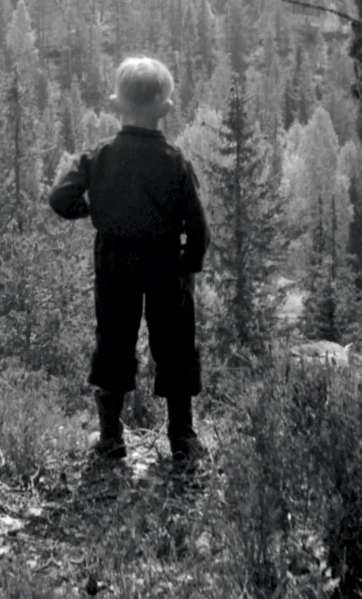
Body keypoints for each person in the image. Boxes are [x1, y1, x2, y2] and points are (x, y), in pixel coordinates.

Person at [49, 56, 210, 465]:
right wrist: (189, 267)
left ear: (115, 104)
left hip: (115, 260)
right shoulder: (175, 161)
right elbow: (199, 227)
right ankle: (182, 439)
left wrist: (94, 211)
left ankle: (110, 438)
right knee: (175, 347)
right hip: (164, 264)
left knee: (114, 341)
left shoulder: (99, 155)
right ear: (166, 108)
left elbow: (60, 198)